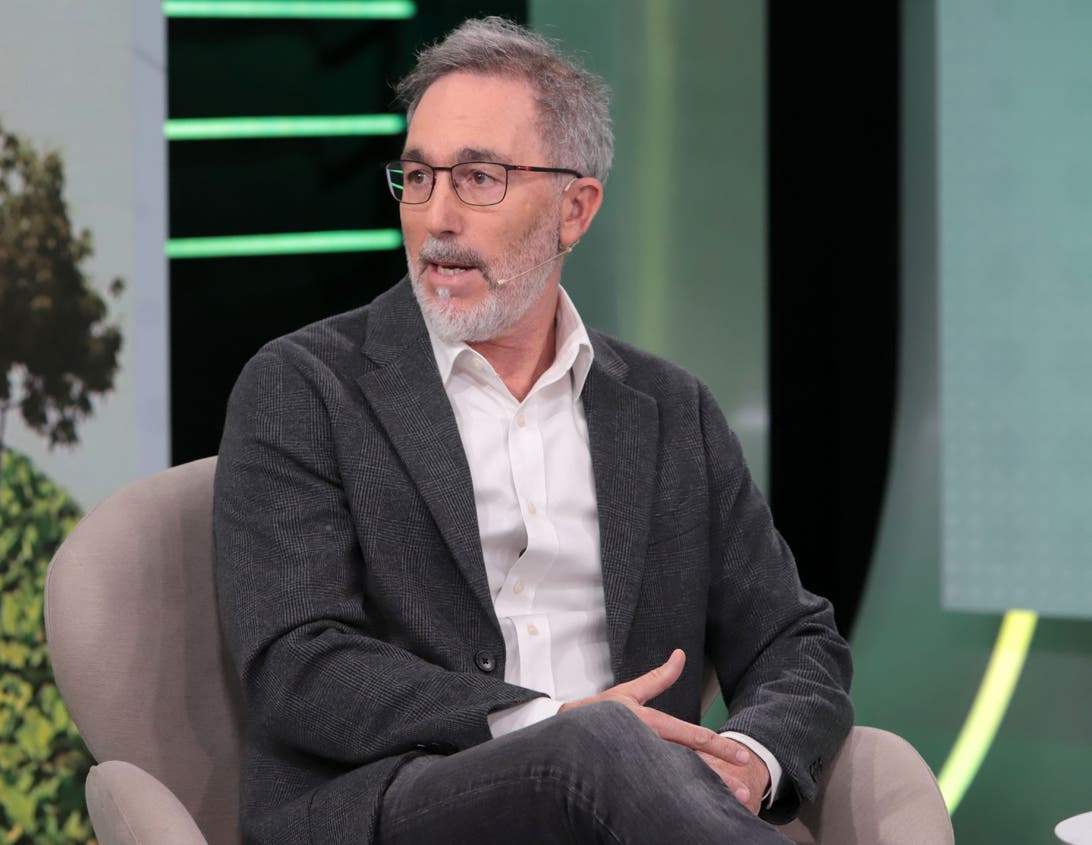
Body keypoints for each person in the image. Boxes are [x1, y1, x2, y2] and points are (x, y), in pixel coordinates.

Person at [214, 16, 852, 844]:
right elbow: (298, 661)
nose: (437, 216)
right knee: (591, 742)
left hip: (638, 815)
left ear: (574, 210)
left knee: (608, 751)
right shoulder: (304, 387)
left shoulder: (670, 410)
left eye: (478, 178)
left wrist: (747, 760)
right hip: (405, 802)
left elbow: (796, 639)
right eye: (418, 177)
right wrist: (546, 722)